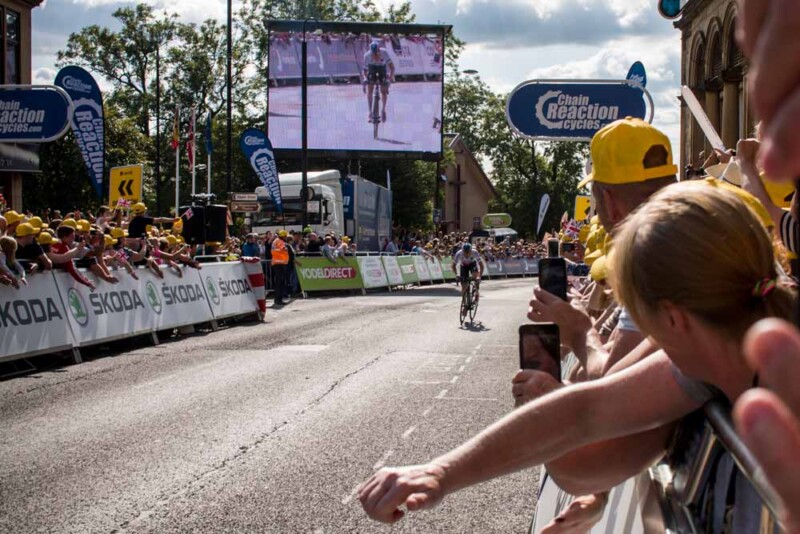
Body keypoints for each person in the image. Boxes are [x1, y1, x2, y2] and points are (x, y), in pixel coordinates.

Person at [359, 182, 792, 528]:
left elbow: (588, 410)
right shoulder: (712, 338)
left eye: (638, 317)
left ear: (674, 319)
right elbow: (587, 411)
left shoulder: (709, 344)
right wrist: (441, 473)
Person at [362, 40, 395, 123]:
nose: (375, 55)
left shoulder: (384, 53)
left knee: (383, 91)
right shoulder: (367, 55)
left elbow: (392, 68)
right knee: (370, 89)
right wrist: (365, 79)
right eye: (373, 54)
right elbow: (365, 71)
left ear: (379, 50)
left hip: (382, 69)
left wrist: (389, 80)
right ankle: (370, 112)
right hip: (372, 69)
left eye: (377, 53)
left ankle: (383, 110)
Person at [271, 230, 289, 306]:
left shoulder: (276, 241)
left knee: (279, 282)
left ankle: (278, 299)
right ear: (283, 236)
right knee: (279, 283)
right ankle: (278, 300)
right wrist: (284, 249)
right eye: (286, 236)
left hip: (278, 263)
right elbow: (280, 249)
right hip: (279, 264)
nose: (287, 238)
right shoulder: (279, 241)